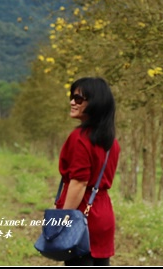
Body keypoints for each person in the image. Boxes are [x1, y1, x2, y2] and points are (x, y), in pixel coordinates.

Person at [56, 77, 120, 266]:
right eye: (72, 97)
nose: (72, 102)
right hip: (102, 213)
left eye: (78, 99)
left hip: (80, 214)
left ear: (95, 104)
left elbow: (79, 183)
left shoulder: (79, 138)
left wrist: (63, 219)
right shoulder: (111, 142)